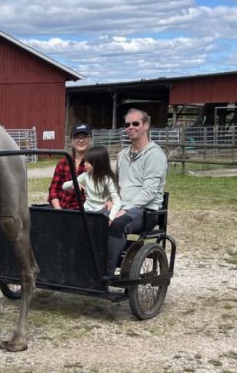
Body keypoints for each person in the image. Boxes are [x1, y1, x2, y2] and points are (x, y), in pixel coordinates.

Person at [106, 109, 168, 277]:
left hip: (146, 211)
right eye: (127, 124)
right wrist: (111, 200)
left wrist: (126, 209)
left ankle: (106, 274)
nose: (130, 127)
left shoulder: (155, 155)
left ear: (146, 125)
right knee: (91, 218)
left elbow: (149, 192)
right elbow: (117, 184)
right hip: (122, 206)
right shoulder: (122, 155)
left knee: (118, 224)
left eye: (135, 123)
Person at [62, 146, 121, 219]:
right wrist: (74, 184)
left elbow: (117, 201)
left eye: (87, 162)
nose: (84, 164)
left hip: (102, 211)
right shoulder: (85, 176)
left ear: (97, 163)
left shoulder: (107, 179)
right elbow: (64, 186)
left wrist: (110, 218)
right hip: (86, 209)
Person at [48, 123, 92, 210]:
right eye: (77, 137)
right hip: (64, 208)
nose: (81, 140)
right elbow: (53, 190)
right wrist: (58, 208)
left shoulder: (96, 162)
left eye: (85, 136)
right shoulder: (63, 163)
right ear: (71, 141)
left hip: (88, 210)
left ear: (90, 139)